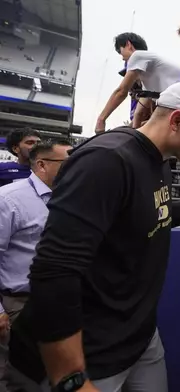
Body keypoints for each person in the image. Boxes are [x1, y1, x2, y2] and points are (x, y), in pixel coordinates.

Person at [9, 82, 180, 392]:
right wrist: (70, 377)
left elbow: (154, 213)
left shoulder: (158, 160)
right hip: (93, 351)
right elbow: (55, 270)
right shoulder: (106, 160)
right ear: (176, 121)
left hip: (139, 338)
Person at [0, 140, 72, 391]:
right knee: (18, 378)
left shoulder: (72, 198)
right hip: (18, 305)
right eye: (68, 162)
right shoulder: (9, 200)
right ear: (41, 164)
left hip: (59, 303)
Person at [95, 33, 180, 132]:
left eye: (120, 51)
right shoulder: (148, 80)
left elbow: (121, 92)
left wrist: (101, 119)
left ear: (128, 45)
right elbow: (138, 114)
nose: (122, 58)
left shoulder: (137, 55)